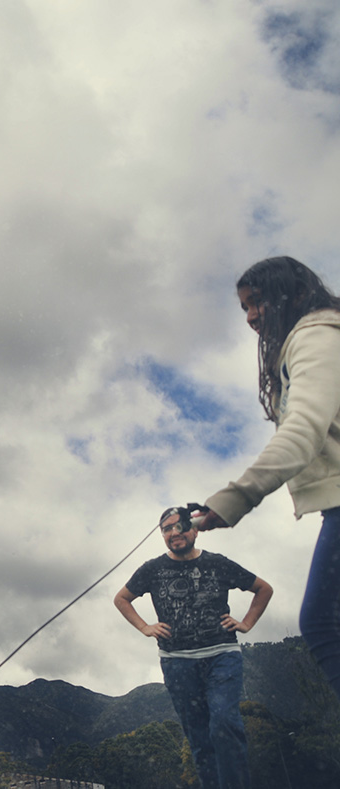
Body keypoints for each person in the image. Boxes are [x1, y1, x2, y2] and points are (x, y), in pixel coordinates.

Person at [194, 256, 340, 700]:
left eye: (257, 303)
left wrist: (233, 499)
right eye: (244, 309)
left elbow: (302, 432)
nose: (251, 316)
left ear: (294, 294)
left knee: (322, 621)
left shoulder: (317, 335)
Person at [114, 506, 273, 789]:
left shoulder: (218, 563)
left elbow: (263, 589)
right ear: (161, 535)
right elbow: (122, 599)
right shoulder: (152, 569)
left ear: (195, 529)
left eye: (181, 526)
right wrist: (145, 627)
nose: (174, 533)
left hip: (221, 656)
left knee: (225, 723)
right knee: (198, 738)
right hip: (177, 662)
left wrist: (247, 622)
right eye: (166, 529)